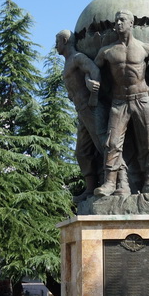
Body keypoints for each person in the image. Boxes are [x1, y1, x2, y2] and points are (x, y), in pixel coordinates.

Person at [92, 10, 149, 197]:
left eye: (123, 20)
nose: (118, 23)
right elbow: (93, 69)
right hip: (119, 101)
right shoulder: (107, 51)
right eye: (116, 21)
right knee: (112, 142)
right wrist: (91, 81)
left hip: (142, 99)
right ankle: (109, 183)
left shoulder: (144, 48)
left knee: (146, 141)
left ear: (131, 24)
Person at [55, 29, 107, 202]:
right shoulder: (68, 61)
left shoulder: (77, 58)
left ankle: (116, 182)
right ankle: (91, 188)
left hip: (90, 107)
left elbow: (94, 72)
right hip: (81, 110)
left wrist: (93, 95)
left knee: (103, 145)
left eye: (57, 41)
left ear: (64, 40)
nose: (55, 45)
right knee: (82, 152)